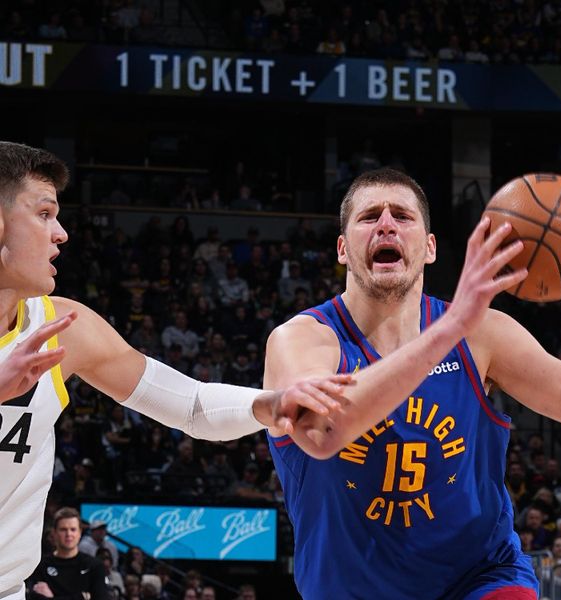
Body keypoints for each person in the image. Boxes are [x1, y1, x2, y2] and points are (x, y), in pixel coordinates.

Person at [0, 141, 350, 600]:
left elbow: (192, 407)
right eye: (44, 214)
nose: (61, 233)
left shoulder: (66, 328)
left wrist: (268, 404)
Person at [264, 168, 561, 599]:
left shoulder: (482, 335)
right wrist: (453, 325)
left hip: (477, 578)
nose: (386, 224)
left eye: (402, 216)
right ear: (343, 249)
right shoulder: (301, 340)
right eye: (369, 217)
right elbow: (323, 431)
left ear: (430, 248)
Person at [27, 507, 108, 600]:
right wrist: (80, 597)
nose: (68, 534)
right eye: (63, 529)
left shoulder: (94, 566)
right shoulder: (41, 565)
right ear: (54, 533)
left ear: (80, 533)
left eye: (73, 529)